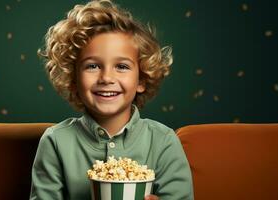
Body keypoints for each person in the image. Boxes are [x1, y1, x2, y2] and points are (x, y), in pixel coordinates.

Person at [30, 0, 194, 199]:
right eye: (92, 66)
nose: (107, 78)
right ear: (73, 79)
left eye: (122, 66)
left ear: (141, 79)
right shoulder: (56, 142)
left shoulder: (163, 142)